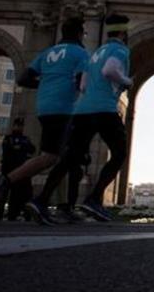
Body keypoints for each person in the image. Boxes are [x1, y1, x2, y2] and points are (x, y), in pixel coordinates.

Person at [29, 13, 134, 223]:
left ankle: (40, 200)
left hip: (82, 110)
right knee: (120, 153)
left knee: (70, 158)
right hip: (104, 109)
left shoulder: (96, 52)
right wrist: (127, 82)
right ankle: (94, 199)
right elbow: (110, 70)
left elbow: (83, 85)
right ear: (123, 33)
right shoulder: (119, 49)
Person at [3, 18, 90, 223]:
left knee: (60, 156)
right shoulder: (80, 53)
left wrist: (45, 84)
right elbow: (80, 83)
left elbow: (23, 79)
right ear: (79, 34)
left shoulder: (47, 53)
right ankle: (15, 186)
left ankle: (58, 205)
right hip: (65, 109)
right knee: (56, 157)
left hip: (44, 109)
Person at [0, 118, 36, 221]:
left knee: (17, 194)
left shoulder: (25, 139)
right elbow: (8, 152)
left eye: (20, 126)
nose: (19, 127)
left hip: (21, 170)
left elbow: (32, 149)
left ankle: (13, 214)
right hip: (8, 169)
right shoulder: (9, 139)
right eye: (17, 125)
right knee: (3, 193)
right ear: (13, 126)